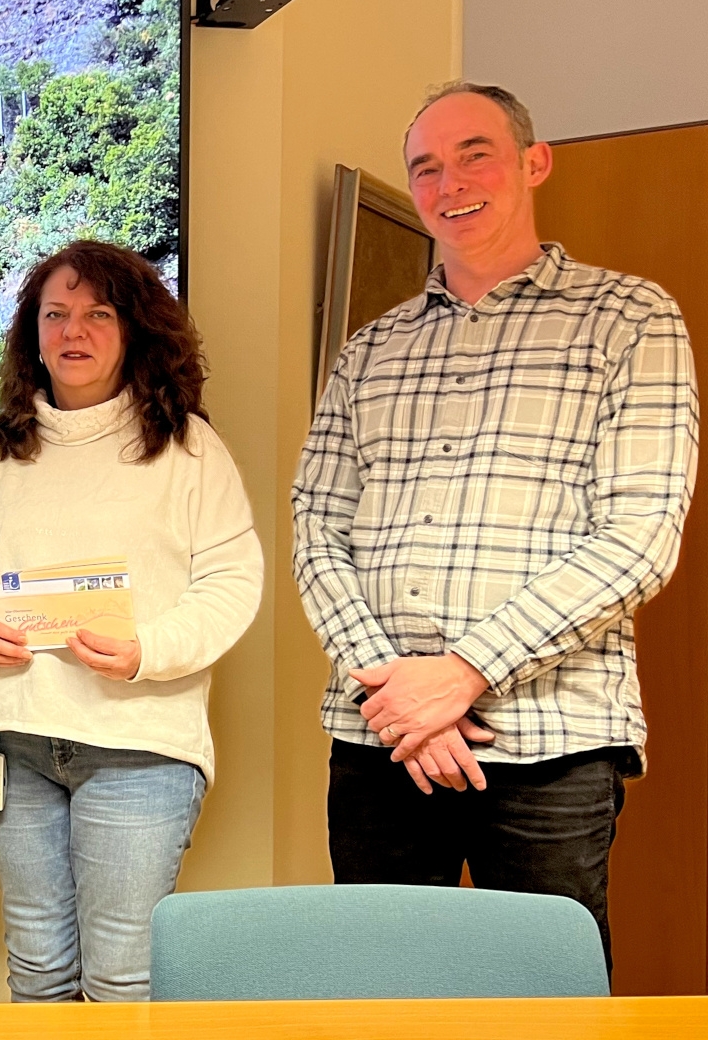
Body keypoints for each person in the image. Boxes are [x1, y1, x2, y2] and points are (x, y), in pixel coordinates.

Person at [293, 81, 697, 966]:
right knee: (378, 997)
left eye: (474, 153)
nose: (449, 182)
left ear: (532, 162)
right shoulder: (372, 349)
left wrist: (466, 672)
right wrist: (405, 700)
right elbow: (315, 530)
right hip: (381, 739)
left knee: (546, 1000)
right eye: (426, 167)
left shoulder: (630, 320)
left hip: (552, 738)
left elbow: (638, 540)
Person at [0, 240, 261, 1002]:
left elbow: (231, 580)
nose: (73, 331)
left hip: (138, 748)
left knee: (122, 978)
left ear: (134, 328)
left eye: (97, 314)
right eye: (56, 314)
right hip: (17, 743)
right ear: (32, 334)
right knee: (38, 972)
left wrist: (147, 650)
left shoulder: (186, 447)